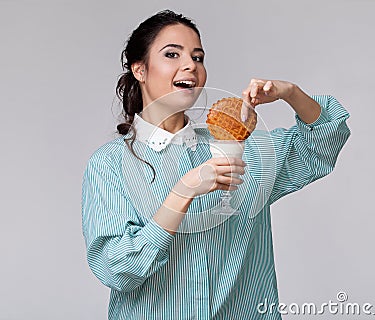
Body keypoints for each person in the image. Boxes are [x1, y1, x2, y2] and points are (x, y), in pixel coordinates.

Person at [81, 9, 351, 320]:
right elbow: (118, 269)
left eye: (198, 57)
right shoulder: (109, 165)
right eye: (172, 54)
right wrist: (183, 193)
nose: (190, 66)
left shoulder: (246, 151)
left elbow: (322, 143)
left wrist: (290, 93)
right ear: (139, 69)